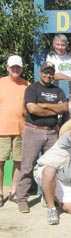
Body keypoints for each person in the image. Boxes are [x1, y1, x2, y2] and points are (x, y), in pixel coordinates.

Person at [16, 61, 68, 213]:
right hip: (33, 131)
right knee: (27, 166)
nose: (48, 75)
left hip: (52, 132)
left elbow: (64, 107)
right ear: (40, 72)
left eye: (51, 73)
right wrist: (53, 108)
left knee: (51, 166)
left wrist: (43, 105)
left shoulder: (58, 90)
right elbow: (32, 108)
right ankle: (22, 199)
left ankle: (48, 196)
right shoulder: (32, 88)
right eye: (46, 72)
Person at [0, 55, 31, 207]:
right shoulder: (0, 83)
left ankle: (14, 191)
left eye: (18, 67)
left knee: (19, 163)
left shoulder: (27, 85)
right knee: (0, 162)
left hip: (22, 130)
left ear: (22, 68)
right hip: (2, 130)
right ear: (7, 68)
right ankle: (0, 193)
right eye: (13, 67)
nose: (15, 69)